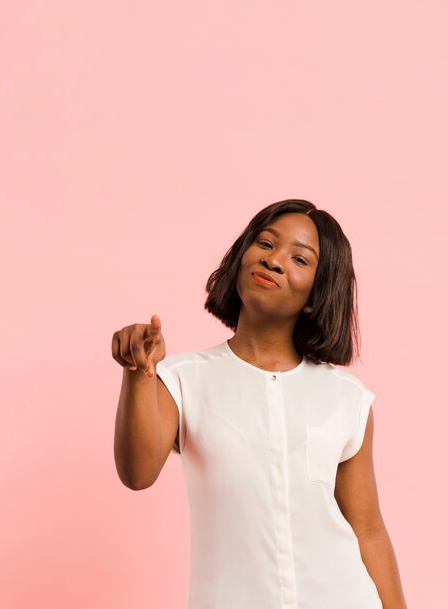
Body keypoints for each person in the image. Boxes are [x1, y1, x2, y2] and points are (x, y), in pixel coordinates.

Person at [112, 199, 408, 609]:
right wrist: (136, 373)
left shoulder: (347, 398)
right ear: (243, 256)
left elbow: (369, 531)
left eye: (300, 259)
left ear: (315, 293)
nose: (274, 261)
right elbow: (137, 473)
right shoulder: (182, 379)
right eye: (266, 244)